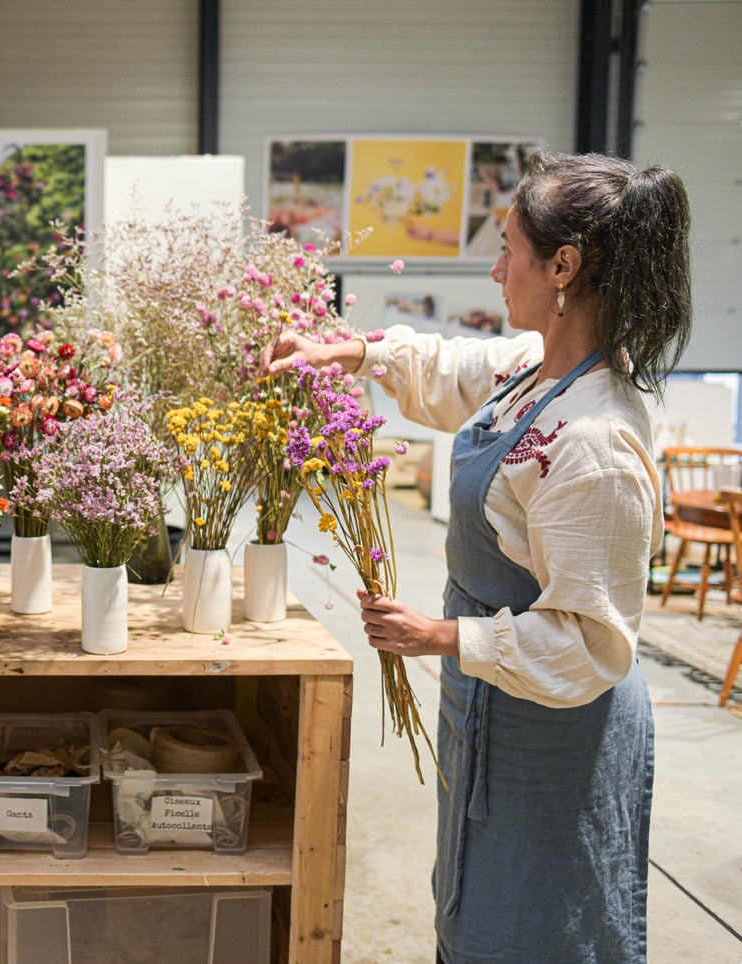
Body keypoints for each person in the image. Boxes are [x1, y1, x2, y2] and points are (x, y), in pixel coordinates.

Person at [263, 153, 691, 963]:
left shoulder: (593, 441)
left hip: (553, 724)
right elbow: (457, 368)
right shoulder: (539, 373)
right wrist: (348, 353)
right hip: (493, 695)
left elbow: (591, 644)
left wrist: (441, 637)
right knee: (474, 893)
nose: (495, 272)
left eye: (506, 250)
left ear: (562, 266)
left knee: (536, 919)